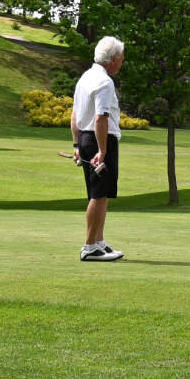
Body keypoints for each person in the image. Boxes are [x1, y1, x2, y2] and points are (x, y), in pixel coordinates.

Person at [70, 35, 127, 261]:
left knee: (102, 194)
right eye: (121, 58)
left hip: (85, 139)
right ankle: (90, 247)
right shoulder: (104, 82)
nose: (122, 62)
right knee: (98, 194)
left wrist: (77, 144)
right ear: (112, 60)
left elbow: (75, 115)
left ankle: (99, 242)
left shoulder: (85, 78)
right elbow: (100, 118)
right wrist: (102, 151)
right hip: (100, 140)